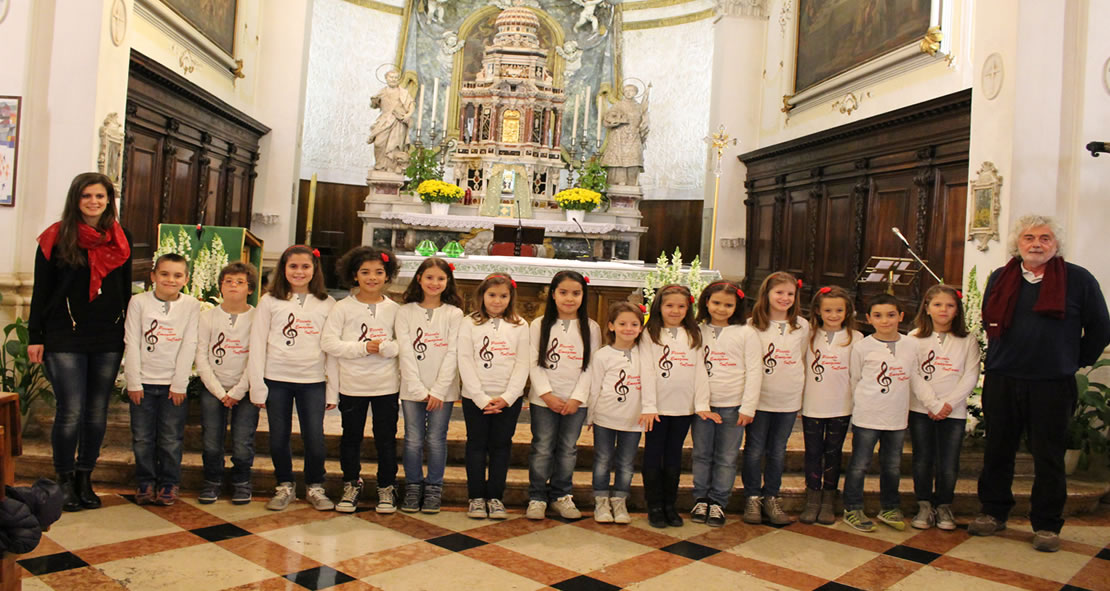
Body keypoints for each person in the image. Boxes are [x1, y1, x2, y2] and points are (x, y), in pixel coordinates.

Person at [970, 214, 1110, 552]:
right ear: (1017, 244)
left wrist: (1073, 360)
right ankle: (993, 512)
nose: (1036, 244)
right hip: (1003, 378)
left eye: (1045, 238)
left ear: (1056, 244)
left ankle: (1047, 524)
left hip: (1052, 383)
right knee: (998, 450)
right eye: (1029, 238)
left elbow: (1100, 327)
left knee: (1049, 456)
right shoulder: (1001, 277)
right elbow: (989, 321)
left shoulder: (1078, 279)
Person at [28, 172, 132, 512]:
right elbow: (41, 291)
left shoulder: (121, 237)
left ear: (109, 200)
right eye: (87, 196)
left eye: (100, 196)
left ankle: (85, 477)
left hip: (107, 336)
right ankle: (64, 478)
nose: (93, 202)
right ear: (76, 199)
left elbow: (125, 290)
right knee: (71, 410)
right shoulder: (56, 238)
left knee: (96, 412)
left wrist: (128, 333)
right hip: (64, 334)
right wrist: (35, 336)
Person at [249, 245, 338, 512]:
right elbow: (257, 343)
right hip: (276, 378)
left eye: (305, 266)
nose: (299, 272)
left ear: (314, 269)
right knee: (279, 436)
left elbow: (332, 350)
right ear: (283, 269)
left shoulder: (327, 304)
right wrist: (257, 385)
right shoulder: (269, 301)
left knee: (314, 436)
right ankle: (284, 485)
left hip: (312, 380)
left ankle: (315, 486)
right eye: (293, 266)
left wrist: (332, 390)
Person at [322, 247, 400, 514]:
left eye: (379, 272)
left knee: (386, 438)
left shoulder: (395, 309)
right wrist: (363, 347)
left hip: (386, 385)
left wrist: (387, 348)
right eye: (365, 272)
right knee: (351, 437)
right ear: (354, 275)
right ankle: (351, 483)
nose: (372, 278)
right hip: (353, 384)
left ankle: (386, 486)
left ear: (387, 275)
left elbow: (403, 344)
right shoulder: (342, 308)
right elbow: (329, 343)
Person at [123, 253, 200, 507]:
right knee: (142, 438)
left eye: (177, 275)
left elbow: (189, 344)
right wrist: (133, 382)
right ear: (153, 276)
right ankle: (145, 481)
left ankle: (169, 482)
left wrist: (179, 384)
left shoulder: (191, 305)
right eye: (164, 274)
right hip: (143, 383)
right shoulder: (138, 302)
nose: (170, 279)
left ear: (186, 279)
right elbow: (132, 342)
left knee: (170, 438)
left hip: (172, 386)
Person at [526, 271, 600, 520]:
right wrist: (546, 394)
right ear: (553, 295)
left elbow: (591, 366)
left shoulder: (591, 327)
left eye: (576, 293)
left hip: (575, 402)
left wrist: (577, 398)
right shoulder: (539, 325)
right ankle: (537, 496)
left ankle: (561, 495)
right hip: (543, 400)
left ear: (583, 295)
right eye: (563, 292)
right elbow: (533, 361)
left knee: (568, 448)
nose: (570, 298)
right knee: (542, 447)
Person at [457, 273, 530, 520]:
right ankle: (476, 497)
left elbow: (523, 363)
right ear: (482, 295)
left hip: (508, 399)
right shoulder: (469, 323)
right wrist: (479, 397)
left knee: (501, 446)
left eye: (503, 296)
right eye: (492, 295)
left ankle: (496, 497)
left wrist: (509, 396)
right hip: (475, 397)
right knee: (476, 445)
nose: (497, 301)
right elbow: (465, 359)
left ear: (511, 297)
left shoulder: (520, 325)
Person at [908, 284, 980, 531]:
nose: (943, 310)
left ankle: (944, 505)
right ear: (927, 308)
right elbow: (913, 374)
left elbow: (970, 375)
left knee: (948, 462)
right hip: (921, 409)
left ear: (957, 310)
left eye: (950, 306)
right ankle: (924, 504)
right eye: (937, 304)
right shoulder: (915, 337)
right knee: (922, 459)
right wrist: (933, 403)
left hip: (954, 411)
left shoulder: (967, 340)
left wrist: (947, 405)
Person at [396, 258, 465, 513]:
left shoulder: (454, 314)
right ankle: (413, 486)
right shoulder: (405, 312)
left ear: (448, 282)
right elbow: (405, 352)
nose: (434, 283)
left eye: (440, 278)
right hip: (411, 389)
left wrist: (438, 391)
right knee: (413, 439)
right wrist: (417, 389)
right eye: (429, 277)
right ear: (419, 279)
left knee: (436, 439)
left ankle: (434, 487)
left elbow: (453, 353)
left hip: (443, 391)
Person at [691, 281, 761, 528]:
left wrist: (748, 407)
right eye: (716, 303)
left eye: (728, 305)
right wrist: (700, 403)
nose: (721, 309)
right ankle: (701, 499)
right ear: (706, 302)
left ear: (737, 307)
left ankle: (718, 501)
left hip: (733, 405)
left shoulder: (746, 333)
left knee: (727, 457)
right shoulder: (696, 330)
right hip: (702, 406)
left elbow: (755, 371)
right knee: (701, 454)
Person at [843, 294, 915, 533]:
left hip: (896, 416)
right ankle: (852, 508)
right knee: (860, 464)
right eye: (878, 315)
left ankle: (890, 507)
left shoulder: (911, 345)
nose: (885, 321)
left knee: (892, 465)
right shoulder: (862, 347)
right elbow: (855, 379)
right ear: (869, 319)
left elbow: (913, 378)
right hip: (867, 415)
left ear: (901, 316)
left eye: (891, 315)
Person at [640, 284, 710, 528]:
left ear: (688, 308)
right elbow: (646, 370)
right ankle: (654, 506)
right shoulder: (649, 333)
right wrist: (649, 405)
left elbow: (700, 371)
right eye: (669, 305)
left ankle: (669, 505)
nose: (675, 310)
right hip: (656, 408)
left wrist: (701, 403)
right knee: (653, 455)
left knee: (673, 456)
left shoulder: (693, 333)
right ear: (659, 306)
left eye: (681, 306)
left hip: (683, 407)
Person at [742, 272, 809, 526]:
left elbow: (802, 358)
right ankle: (752, 497)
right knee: (754, 449)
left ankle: (771, 497)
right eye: (779, 292)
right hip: (759, 399)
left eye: (790, 293)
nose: (785, 298)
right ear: (767, 294)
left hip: (788, 399)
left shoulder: (802, 326)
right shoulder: (751, 325)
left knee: (778, 450)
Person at [195, 262, 259, 505]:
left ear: (250, 289)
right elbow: (201, 356)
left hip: (246, 389)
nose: (233, 286)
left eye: (240, 282)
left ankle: (242, 482)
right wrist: (219, 391)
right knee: (211, 440)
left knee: (243, 441)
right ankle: (212, 481)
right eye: (228, 281)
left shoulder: (257, 318)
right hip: (213, 389)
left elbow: (256, 358)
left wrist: (239, 390)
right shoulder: (207, 317)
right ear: (220, 286)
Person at [799, 286, 861, 525]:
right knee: (813, 452)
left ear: (847, 312)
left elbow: (857, 375)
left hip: (842, 405)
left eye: (839, 310)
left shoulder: (856, 338)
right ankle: (812, 498)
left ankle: (828, 499)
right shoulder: (808, 335)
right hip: (813, 404)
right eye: (828, 310)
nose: (833, 315)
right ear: (818, 311)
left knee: (833, 453)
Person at [587, 302, 647, 525]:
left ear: (641, 328)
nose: (628, 328)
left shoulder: (645, 354)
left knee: (626, 463)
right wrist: (591, 415)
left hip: (633, 419)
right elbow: (595, 387)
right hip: (605, 417)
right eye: (622, 324)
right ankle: (601, 500)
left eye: (634, 324)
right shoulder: (602, 355)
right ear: (611, 326)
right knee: (603, 459)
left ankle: (620, 500)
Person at [600, 83, 649, 186]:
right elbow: (607, 119)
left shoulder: (639, 107)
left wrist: (643, 126)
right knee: (618, 160)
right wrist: (616, 121)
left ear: (635, 93)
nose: (628, 93)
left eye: (631, 90)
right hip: (618, 136)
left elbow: (644, 122)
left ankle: (631, 183)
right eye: (626, 91)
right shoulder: (618, 105)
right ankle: (616, 183)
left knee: (634, 159)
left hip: (633, 136)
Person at [368, 70, 415, 174]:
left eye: (396, 77)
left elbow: (411, 105)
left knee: (394, 146)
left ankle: (392, 168)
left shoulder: (403, 92)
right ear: (386, 78)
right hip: (384, 121)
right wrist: (374, 101)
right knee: (378, 143)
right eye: (391, 77)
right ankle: (380, 165)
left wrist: (407, 115)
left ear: (399, 79)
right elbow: (373, 106)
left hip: (397, 122)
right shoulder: (382, 92)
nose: (393, 79)